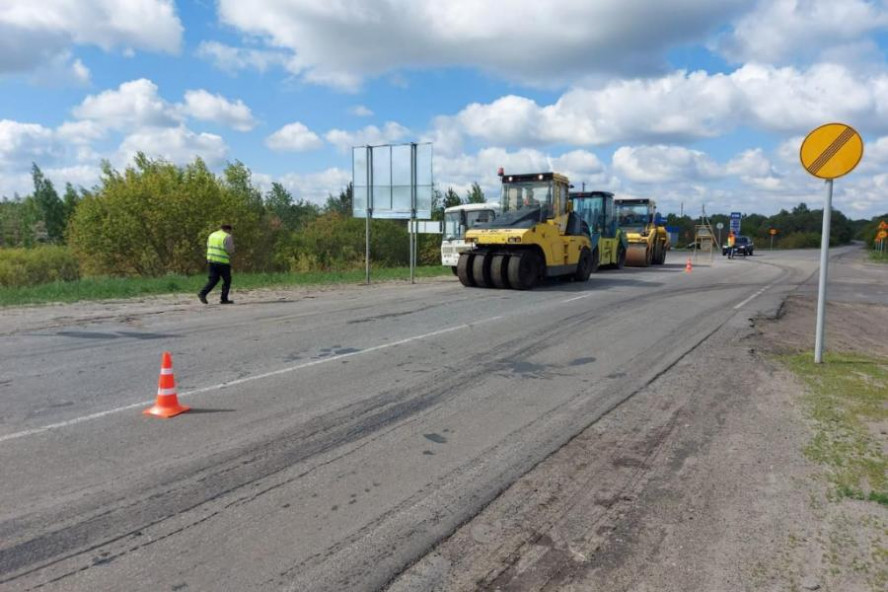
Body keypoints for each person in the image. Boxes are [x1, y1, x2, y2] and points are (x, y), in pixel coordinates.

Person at [198, 224, 235, 304]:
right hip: (223, 262)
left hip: (211, 260)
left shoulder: (212, 235)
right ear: (228, 230)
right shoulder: (227, 237)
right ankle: (224, 299)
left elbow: (208, 245)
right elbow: (230, 250)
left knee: (213, 279)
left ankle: (203, 293)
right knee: (227, 280)